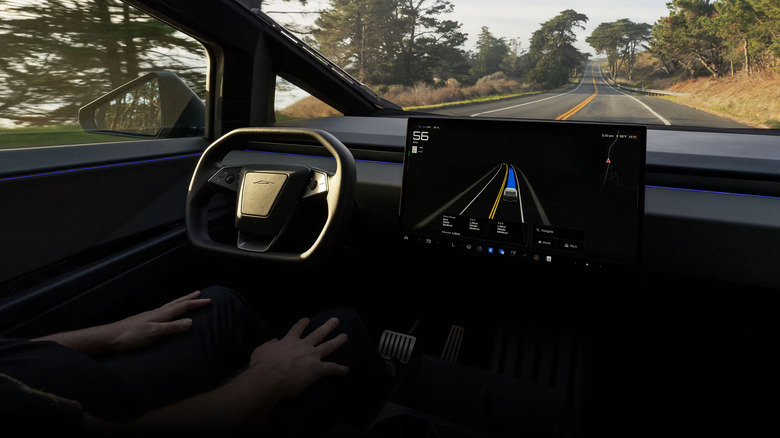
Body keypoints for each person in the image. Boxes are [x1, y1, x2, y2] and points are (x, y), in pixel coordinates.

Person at [0, 285, 393, 436]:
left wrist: (113, 332)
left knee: (215, 302)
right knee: (342, 328)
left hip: (77, 388)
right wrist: (271, 376)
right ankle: (375, 403)